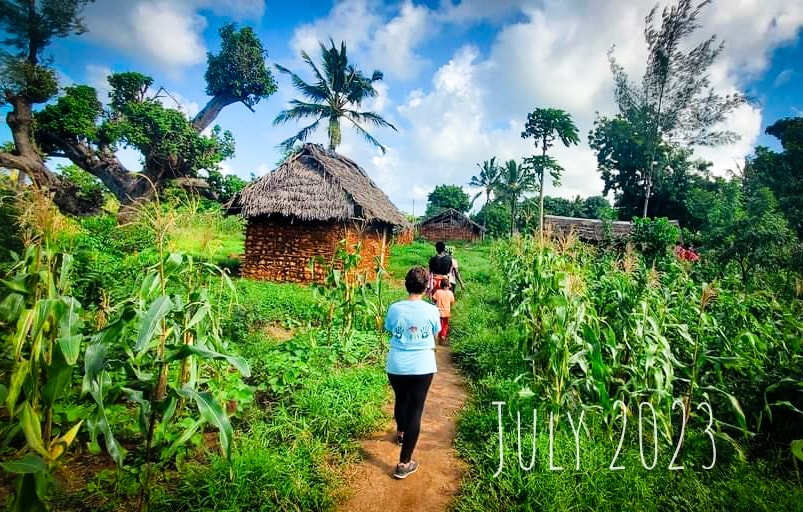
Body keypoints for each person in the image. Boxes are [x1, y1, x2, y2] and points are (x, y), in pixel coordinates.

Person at [384, 266, 441, 479]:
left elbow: (390, 328)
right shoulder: (432, 310)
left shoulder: (395, 308)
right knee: (415, 410)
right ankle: (404, 463)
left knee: (401, 399)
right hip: (422, 366)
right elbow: (435, 332)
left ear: (406, 285)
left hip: (397, 364)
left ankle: (401, 433)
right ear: (426, 287)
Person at [432, 278, 455, 345]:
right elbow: (452, 302)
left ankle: (437, 336)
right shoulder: (450, 293)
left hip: (438, 311)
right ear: (448, 286)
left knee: (439, 324)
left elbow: (434, 299)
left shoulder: (438, 292)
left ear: (440, 285)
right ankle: (443, 335)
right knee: (445, 324)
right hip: (447, 311)